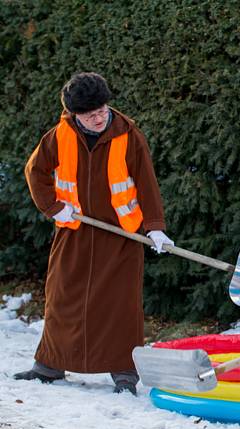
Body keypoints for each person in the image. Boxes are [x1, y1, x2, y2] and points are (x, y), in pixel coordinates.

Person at [16, 72, 172, 395]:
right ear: (75, 115)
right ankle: (50, 364)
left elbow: (147, 183)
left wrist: (155, 228)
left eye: (103, 110)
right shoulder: (59, 136)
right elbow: (35, 171)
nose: (100, 117)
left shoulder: (128, 136)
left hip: (120, 236)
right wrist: (53, 207)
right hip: (75, 231)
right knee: (62, 297)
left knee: (121, 305)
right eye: (91, 114)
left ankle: (125, 374)